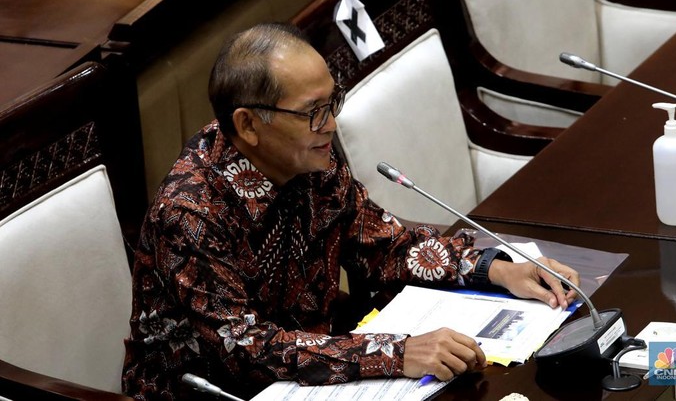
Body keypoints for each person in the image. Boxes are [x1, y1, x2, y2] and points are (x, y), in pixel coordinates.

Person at [122, 22, 580, 400]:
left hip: (312, 374)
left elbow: (385, 246)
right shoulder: (188, 213)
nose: (331, 124)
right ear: (249, 124)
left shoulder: (310, 158)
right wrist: (395, 354)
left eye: (332, 103)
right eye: (313, 111)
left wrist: (497, 269)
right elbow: (246, 349)